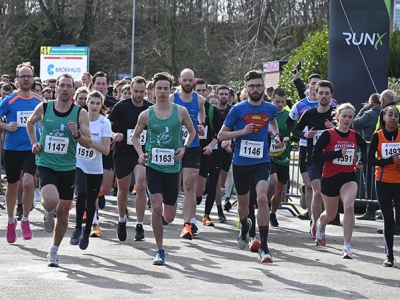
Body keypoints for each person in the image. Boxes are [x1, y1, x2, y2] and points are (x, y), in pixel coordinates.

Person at [26, 73, 92, 267]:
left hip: (68, 167)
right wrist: (34, 143)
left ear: (73, 89)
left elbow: (88, 142)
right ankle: (48, 211)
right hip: (46, 163)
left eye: (68, 86)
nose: (64, 89)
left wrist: (77, 135)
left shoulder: (80, 113)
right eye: (61, 85)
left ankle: (54, 250)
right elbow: (30, 123)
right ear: (56, 88)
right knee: (52, 201)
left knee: (63, 213)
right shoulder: (44, 107)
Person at [218, 70, 281, 263]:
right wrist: (241, 132)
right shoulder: (237, 109)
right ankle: (245, 225)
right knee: (243, 207)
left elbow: (273, 123)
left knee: (262, 197)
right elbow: (221, 135)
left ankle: (265, 247)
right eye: (251, 86)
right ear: (246, 88)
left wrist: (276, 136)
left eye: (258, 86)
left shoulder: (270, 108)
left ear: (263, 88)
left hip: (262, 161)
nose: (255, 89)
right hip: (241, 163)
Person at [132, 72, 195, 265]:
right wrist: (140, 153)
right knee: (156, 206)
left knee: (169, 215)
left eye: (165, 88)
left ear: (170, 90)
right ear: (153, 91)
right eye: (158, 88)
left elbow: (191, 132)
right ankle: (159, 250)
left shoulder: (180, 111)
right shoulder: (146, 114)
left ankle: (161, 222)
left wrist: (184, 148)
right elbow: (135, 137)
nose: (161, 91)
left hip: (173, 168)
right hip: (153, 167)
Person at [312, 103, 367, 259]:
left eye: (350, 117)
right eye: (344, 116)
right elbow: (315, 156)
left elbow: (364, 147)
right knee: (330, 214)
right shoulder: (328, 135)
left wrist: (362, 161)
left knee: (349, 207)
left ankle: (347, 246)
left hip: (349, 177)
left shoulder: (355, 135)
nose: (347, 119)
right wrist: (335, 154)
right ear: (337, 117)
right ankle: (320, 225)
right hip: (330, 178)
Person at [0, 62, 44, 243]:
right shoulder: (9, 100)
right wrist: (4, 126)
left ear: (33, 79)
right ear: (17, 80)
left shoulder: (40, 101)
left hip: (31, 148)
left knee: (28, 184)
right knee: (12, 186)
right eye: (22, 76)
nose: (26, 79)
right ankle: (11, 221)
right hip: (12, 149)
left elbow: (48, 122)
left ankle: (25, 219)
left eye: (29, 76)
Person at [108, 76, 152, 242]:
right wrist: (113, 135)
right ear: (130, 89)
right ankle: (121, 219)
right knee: (123, 189)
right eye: (136, 91)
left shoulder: (149, 109)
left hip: (140, 152)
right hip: (122, 151)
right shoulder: (121, 107)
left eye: (142, 92)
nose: (139, 95)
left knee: (141, 184)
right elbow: (108, 125)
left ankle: (139, 224)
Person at [293, 80, 337, 237]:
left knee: (329, 194)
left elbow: (349, 132)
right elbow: (295, 130)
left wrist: (335, 129)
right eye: (321, 93)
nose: (324, 96)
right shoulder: (309, 113)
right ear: (316, 94)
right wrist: (304, 134)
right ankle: (316, 224)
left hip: (331, 159)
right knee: (317, 191)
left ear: (331, 95)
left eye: (327, 93)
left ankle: (322, 221)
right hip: (313, 158)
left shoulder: (336, 113)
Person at [69, 90, 111, 249]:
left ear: (101, 105)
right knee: (82, 193)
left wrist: (89, 142)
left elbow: (106, 150)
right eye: (91, 102)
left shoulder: (104, 122)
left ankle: (87, 231)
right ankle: (77, 228)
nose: (94, 106)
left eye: (97, 103)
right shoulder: (80, 118)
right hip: (79, 164)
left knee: (92, 199)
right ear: (86, 103)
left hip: (95, 168)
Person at [169, 68, 205, 239]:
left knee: (189, 186)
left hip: (192, 146)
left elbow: (202, 113)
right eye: (185, 80)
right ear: (179, 80)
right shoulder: (171, 99)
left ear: (195, 81)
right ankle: (169, 213)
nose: (188, 83)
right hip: (173, 146)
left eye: (191, 80)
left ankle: (188, 224)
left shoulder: (200, 100)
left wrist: (201, 124)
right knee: (172, 186)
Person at [286, 73, 323, 221]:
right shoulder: (300, 105)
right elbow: (289, 123)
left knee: (321, 187)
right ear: (308, 85)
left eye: (318, 83)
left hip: (324, 148)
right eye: (313, 83)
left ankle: (323, 215)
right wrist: (302, 134)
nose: (315, 86)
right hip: (305, 148)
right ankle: (312, 218)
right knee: (309, 186)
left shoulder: (331, 104)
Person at [367, 105, 400, 267]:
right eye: (390, 115)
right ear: (384, 117)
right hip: (383, 182)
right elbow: (370, 160)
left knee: (398, 219)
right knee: (388, 219)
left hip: (399, 183)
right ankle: (390, 256)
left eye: (396, 115)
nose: (393, 117)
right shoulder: (377, 136)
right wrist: (387, 161)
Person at [353, 93, 381, 221]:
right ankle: (381, 208)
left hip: (370, 150)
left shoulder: (369, 114)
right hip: (381, 151)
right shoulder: (385, 113)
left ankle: (370, 209)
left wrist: (364, 109)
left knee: (369, 180)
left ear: (371, 103)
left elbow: (355, 124)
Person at [267, 87, 292, 227]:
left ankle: (272, 213)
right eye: (277, 101)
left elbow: (295, 135)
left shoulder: (289, 115)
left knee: (280, 188)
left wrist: (284, 139)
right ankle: (265, 204)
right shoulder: (266, 113)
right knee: (273, 181)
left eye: (282, 102)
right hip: (268, 155)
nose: (280, 104)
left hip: (284, 156)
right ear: (272, 99)